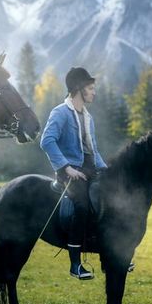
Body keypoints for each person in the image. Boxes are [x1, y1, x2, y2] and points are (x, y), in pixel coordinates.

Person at [40, 67, 107, 280]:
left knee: (110, 198)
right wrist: (66, 167)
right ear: (79, 89)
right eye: (90, 88)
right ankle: (75, 265)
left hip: (90, 170)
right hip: (70, 173)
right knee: (82, 206)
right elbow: (47, 141)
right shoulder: (60, 112)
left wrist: (107, 171)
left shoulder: (88, 118)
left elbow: (93, 150)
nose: (94, 92)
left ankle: (110, 256)